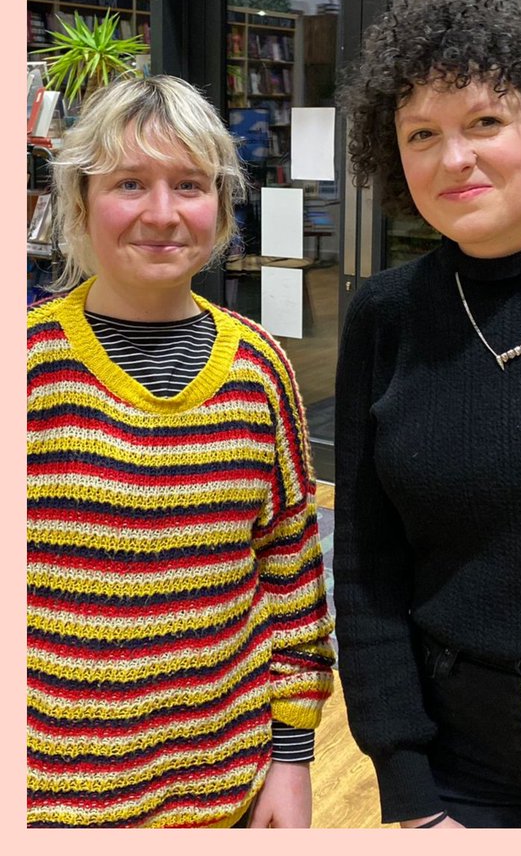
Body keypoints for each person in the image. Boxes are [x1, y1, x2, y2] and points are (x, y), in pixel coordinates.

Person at [27, 75, 335, 828]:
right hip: (49, 802)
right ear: (78, 202)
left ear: (223, 209)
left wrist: (291, 761)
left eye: (190, 185)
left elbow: (290, 573)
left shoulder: (260, 369)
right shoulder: (30, 363)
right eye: (130, 182)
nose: (162, 214)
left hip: (226, 785)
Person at [334, 0, 521, 828]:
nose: (454, 159)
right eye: (421, 134)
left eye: (485, 122)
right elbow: (367, 565)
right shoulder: (385, 313)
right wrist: (404, 783)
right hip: (453, 753)